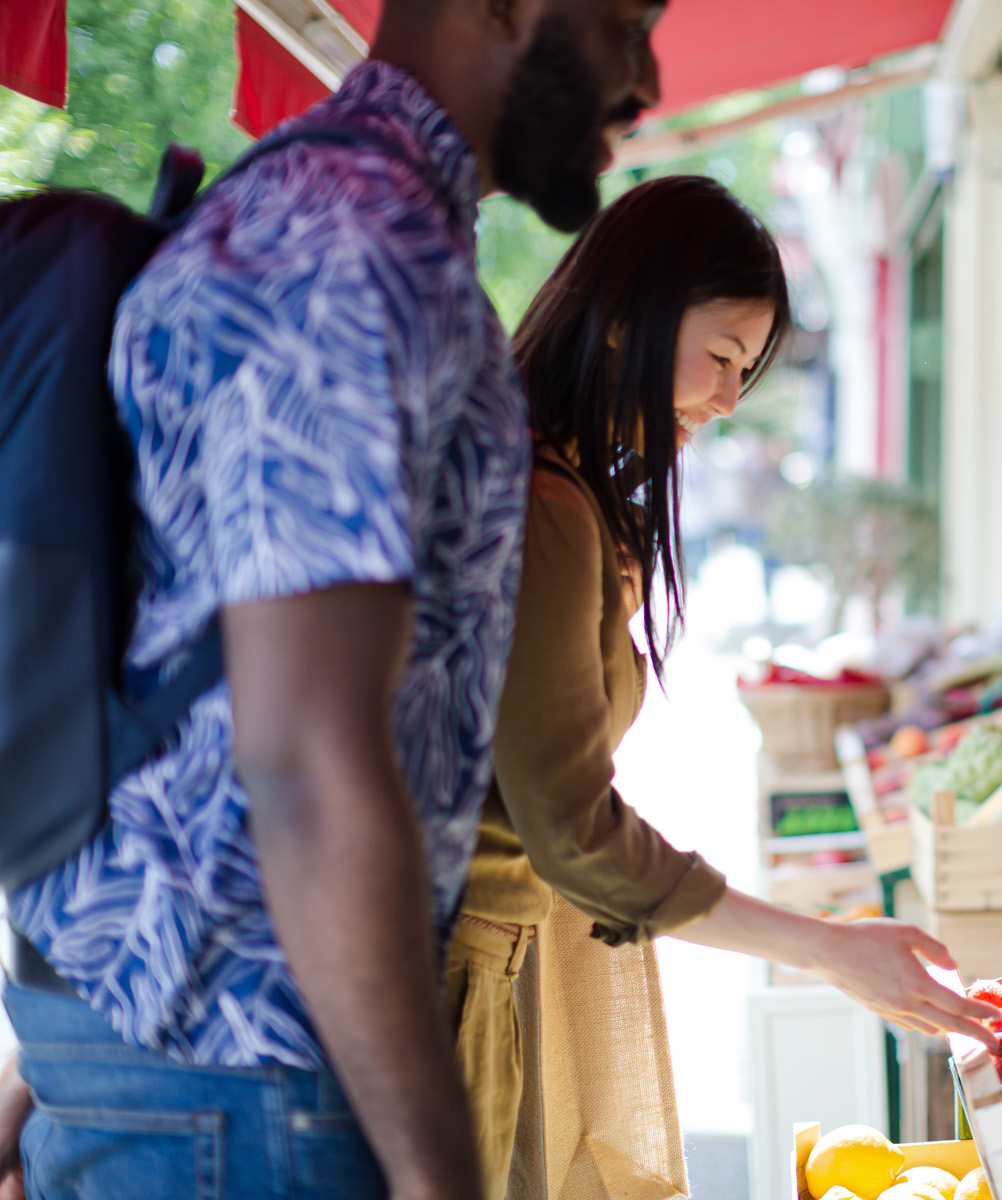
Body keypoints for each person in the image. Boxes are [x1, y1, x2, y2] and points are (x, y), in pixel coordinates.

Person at [0, 1, 665, 1197]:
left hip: (195, 1067)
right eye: (629, 19)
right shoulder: (349, 245)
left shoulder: (346, 222)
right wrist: (435, 1171)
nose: (647, 76)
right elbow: (304, 759)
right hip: (245, 1079)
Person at [453, 175, 1002, 1199]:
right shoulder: (544, 506)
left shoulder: (553, 487)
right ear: (625, 318)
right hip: (447, 983)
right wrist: (827, 949)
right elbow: (569, 828)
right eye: (719, 357)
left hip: (479, 965)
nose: (724, 400)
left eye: (744, 372)